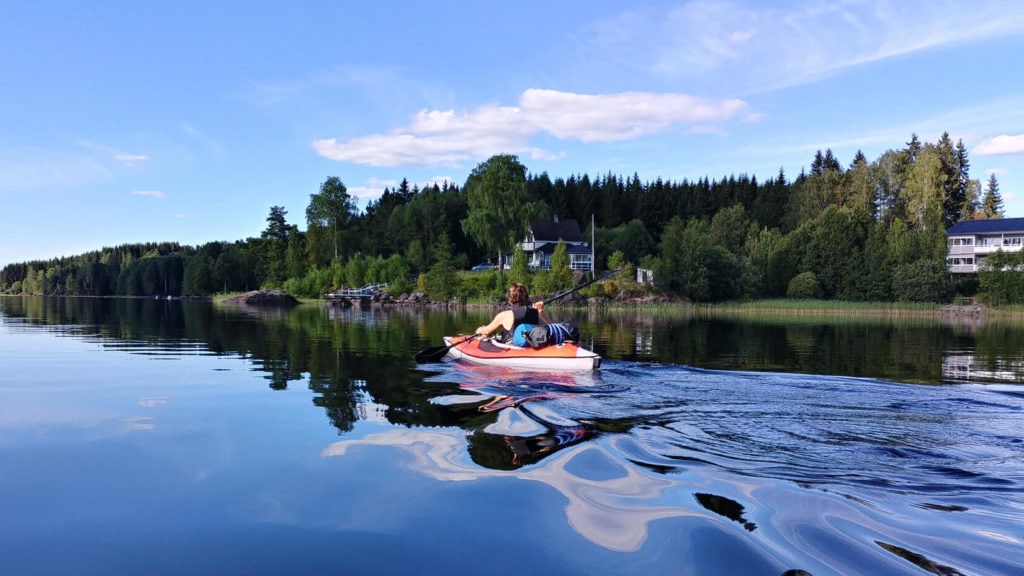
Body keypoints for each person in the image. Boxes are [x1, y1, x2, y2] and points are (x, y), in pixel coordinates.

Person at [476, 283, 548, 344]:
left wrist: (480, 330)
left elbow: (487, 331)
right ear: (526, 296)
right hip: (530, 346)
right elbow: (550, 327)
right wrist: (540, 311)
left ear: (510, 298)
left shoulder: (504, 315)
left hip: (512, 347)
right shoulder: (535, 313)